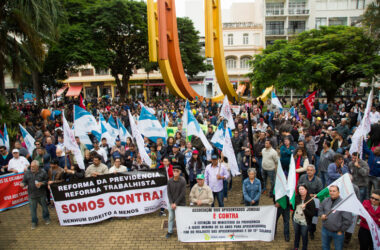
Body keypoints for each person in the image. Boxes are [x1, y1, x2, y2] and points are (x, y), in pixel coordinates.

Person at [319, 185, 353, 250]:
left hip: (337, 232)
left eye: (334, 191)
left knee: (338, 248)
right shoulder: (326, 200)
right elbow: (320, 209)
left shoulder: (343, 203)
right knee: (325, 247)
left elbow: (348, 220)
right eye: (330, 191)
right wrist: (322, 215)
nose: (332, 193)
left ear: (338, 192)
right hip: (325, 230)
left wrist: (341, 230)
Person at [20, 160, 50, 229]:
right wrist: (22, 184)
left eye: (33, 166)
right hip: (31, 194)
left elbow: (47, 181)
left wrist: (42, 183)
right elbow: (24, 181)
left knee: (44, 207)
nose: (32, 168)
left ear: (37, 167)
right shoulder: (27, 173)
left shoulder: (43, 172)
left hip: (41, 194)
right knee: (32, 209)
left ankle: (46, 218)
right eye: (31, 166)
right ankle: (34, 222)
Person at [166, 165, 186, 239]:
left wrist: (176, 203)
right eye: (174, 171)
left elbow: (183, 193)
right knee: (171, 217)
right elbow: (169, 193)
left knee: (181, 218)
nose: (175, 172)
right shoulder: (170, 181)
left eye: (177, 171)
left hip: (181, 203)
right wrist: (171, 203)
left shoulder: (183, 180)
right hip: (172, 203)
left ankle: (182, 231)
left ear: (180, 172)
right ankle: (169, 231)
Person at [292, 185, 316, 250]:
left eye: (302, 189)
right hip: (296, 220)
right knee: (296, 235)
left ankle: (304, 248)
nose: (301, 191)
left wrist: (305, 209)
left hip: (305, 223)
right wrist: (291, 204)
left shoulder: (310, 201)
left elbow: (312, 214)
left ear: (306, 190)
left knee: (304, 236)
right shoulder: (297, 197)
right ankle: (296, 247)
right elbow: (294, 208)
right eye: (299, 189)